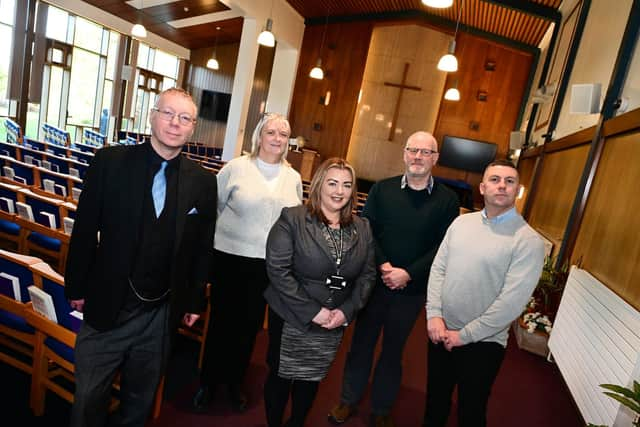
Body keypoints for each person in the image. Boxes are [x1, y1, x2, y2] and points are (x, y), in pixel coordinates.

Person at [65, 87, 217, 426]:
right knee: (89, 397)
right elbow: (86, 229)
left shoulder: (204, 183)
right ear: (152, 115)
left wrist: (194, 301)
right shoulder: (110, 162)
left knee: (140, 401)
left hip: (161, 313)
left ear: (192, 127)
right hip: (108, 302)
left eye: (185, 118)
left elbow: (201, 248)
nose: (175, 124)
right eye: (168, 113)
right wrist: (76, 286)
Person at [329, 131, 459, 427]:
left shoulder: (448, 201)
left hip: (412, 290)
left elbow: (443, 247)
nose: (417, 157)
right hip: (375, 284)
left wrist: (408, 273)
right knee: (361, 344)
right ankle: (347, 401)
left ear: (435, 159)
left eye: (425, 152)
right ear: (404, 154)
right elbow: (367, 232)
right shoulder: (381, 190)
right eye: (413, 150)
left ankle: (381, 409)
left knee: (393, 351)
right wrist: (386, 266)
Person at [192, 113, 303, 412]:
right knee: (221, 323)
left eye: (283, 133)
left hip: (267, 265)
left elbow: (294, 223)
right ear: (259, 135)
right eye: (271, 132)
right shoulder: (236, 168)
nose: (277, 138)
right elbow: (211, 208)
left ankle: (233, 382)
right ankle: (208, 382)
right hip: (230, 258)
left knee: (249, 327)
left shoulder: (292, 178)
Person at [424, 159, 545, 427]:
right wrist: (434, 315)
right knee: (435, 403)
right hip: (441, 331)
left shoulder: (528, 242)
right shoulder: (460, 223)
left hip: (483, 344)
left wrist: (464, 336)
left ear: (518, 190)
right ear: (482, 187)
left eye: (509, 181)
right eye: (495, 180)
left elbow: (510, 304)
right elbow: (438, 269)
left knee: (471, 411)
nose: (502, 186)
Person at [264, 158, 376, 427]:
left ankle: (297, 422)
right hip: (293, 316)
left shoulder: (363, 228)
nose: (339, 191)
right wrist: (313, 312)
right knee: (281, 378)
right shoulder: (293, 218)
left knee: (312, 379)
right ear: (318, 185)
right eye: (333, 183)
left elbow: (368, 275)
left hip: (333, 322)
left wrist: (346, 312)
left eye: (347, 185)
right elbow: (278, 270)